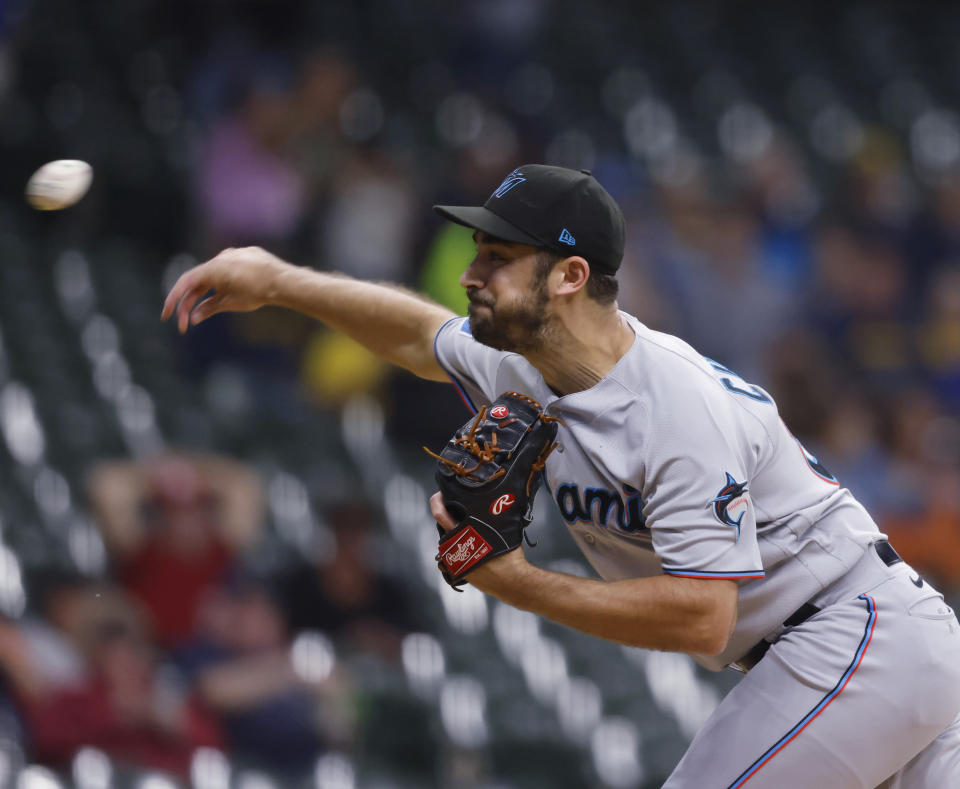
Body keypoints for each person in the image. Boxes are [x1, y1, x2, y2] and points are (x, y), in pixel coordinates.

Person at [162, 164, 960, 787]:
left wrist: (519, 582)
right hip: (861, 647)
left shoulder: (675, 406)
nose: (473, 273)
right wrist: (278, 279)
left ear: (571, 276)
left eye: (500, 256)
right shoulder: (526, 364)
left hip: (852, 636)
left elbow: (701, 618)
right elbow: (416, 335)